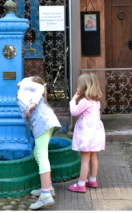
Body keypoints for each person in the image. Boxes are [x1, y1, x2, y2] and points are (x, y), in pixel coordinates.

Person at [17, 76, 62, 210]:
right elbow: (40, 88)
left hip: (42, 122)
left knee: (41, 155)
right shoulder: (27, 89)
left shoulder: (27, 84)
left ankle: (45, 195)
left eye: (26, 78)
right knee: (39, 153)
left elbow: (40, 87)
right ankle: (48, 188)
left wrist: (34, 104)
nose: (23, 79)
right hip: (46, 121)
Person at [67, 73, 105, 193]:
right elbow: (91, 115)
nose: (77, 88)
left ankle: (81, 184)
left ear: (84, 88)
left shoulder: (84, 101)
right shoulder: (96, 102)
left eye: (78, 86)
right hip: (95, 134)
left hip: (87, 135)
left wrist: (73, 100)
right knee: (93, 158)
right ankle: (92, 180)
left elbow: (74, 112)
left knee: (84, 160)